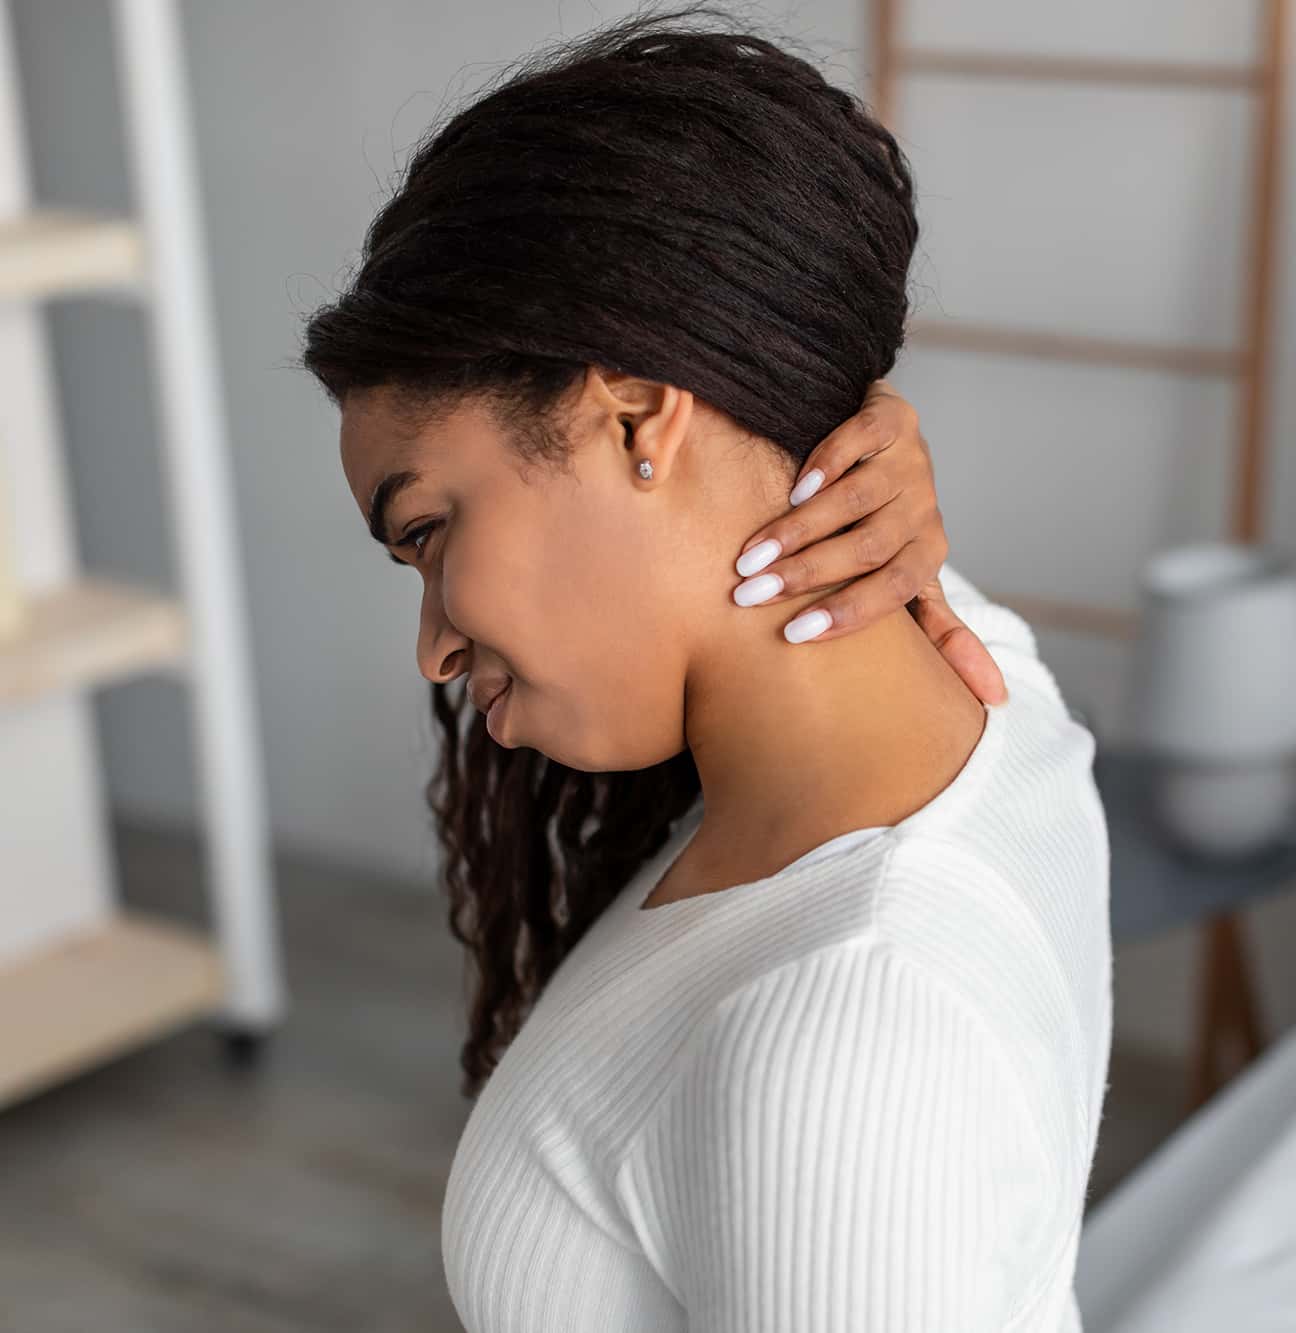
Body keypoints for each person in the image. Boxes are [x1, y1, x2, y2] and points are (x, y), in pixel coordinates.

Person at [302, 6, 1111, 1330]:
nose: (436, 643)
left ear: (632, 413)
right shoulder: (982, 676)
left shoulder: (852, 1029)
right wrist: (830, 419)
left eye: (431, 530)